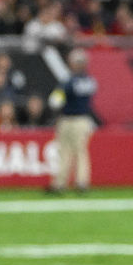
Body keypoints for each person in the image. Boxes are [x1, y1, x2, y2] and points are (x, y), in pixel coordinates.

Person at [47, 48, 97, 193]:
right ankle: (79, 182)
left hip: (71, 118)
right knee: (76, 151)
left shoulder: (69, 81)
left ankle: (62, 183)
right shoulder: (89, 80)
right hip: (81, 119)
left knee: (69, 151)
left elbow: (55, 100)